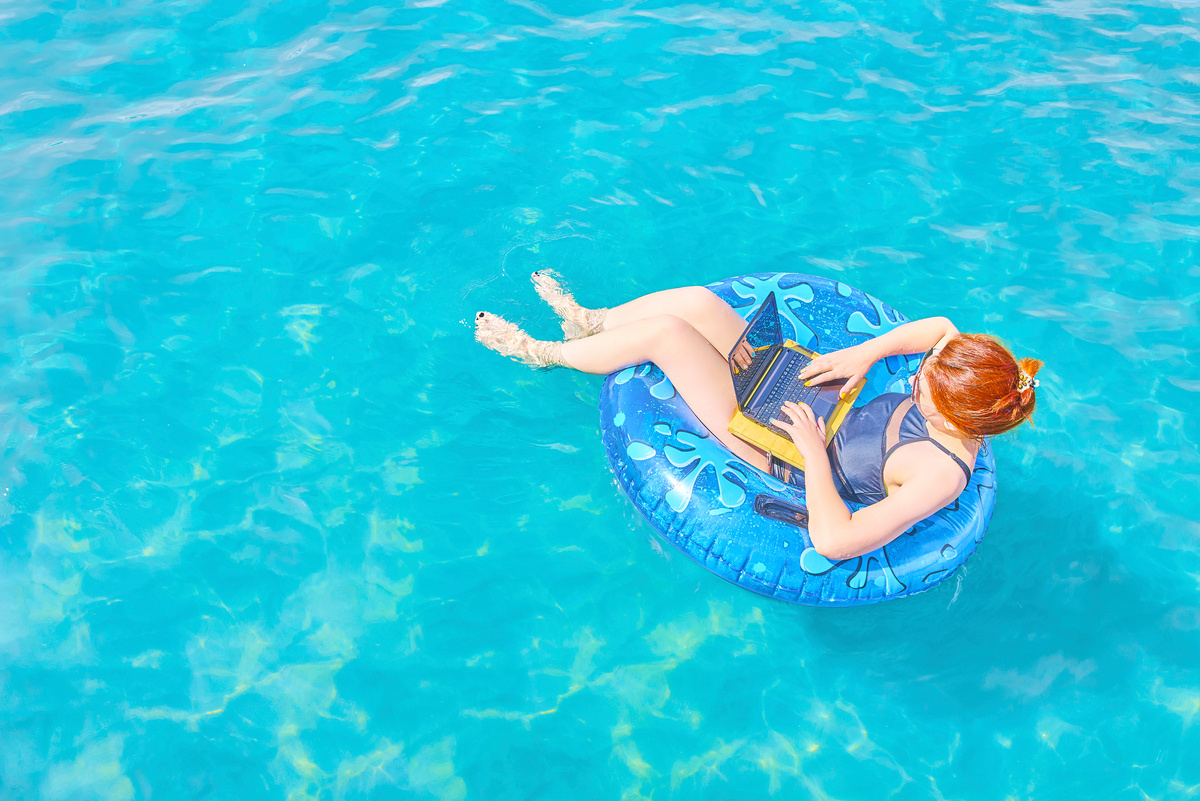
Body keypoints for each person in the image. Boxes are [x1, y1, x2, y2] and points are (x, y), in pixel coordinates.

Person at [475, 274, 1041, 561]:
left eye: (923, 388)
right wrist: (866, 354)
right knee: (697, 304)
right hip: (815, 398)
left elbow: (835, 542)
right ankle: (591, 322)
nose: (916, 376)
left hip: (784, 452)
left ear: (952, 420)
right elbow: (940, 327)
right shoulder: (961, 380)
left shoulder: (940, 476)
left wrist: (813, 450)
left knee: (667, 336)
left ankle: (542, 354)